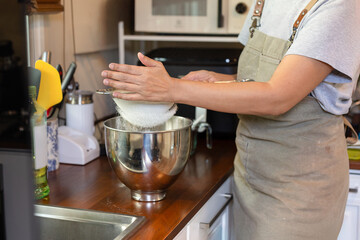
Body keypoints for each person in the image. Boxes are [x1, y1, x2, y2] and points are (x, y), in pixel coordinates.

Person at [101, 0, 360, 239]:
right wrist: (219, 81)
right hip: (250, 174)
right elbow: (266, 76)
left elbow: (278, 97)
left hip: (301, 188)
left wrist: (172, 89)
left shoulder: (337, 5)